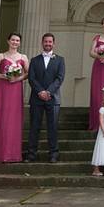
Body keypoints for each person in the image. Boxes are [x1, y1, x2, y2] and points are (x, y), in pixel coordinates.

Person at [0, 32, 28, 162]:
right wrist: (4, 76)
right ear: (8, 41)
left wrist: (18, 78)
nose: (15, 42)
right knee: (0, 117)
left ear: (19, 43)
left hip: (16, 89)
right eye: (13, 40)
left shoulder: (23, 57)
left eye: (17, 40)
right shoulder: (1, 56)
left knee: (12, 119)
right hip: (3, 88)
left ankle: (11, 154)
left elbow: (28, 73)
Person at [25, 32, 65, 163]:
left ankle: (53, 154)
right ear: (42, 43)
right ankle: (31, 154)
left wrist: (48, 92)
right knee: (34, 126)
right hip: (36, 98)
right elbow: (31, 78)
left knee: (52, 127)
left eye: (50, 42)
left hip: (53, 99)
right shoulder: (34, 60)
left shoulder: (60, 60)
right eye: (45, 42)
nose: (48, 44)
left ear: (54, 43)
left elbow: (59, 78)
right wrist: (40, 92)